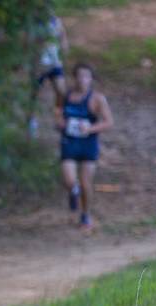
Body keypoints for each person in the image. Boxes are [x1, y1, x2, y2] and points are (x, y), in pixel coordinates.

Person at [57, 63, 114, 232]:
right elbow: (57, 113)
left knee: (85, 182)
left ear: (91, 79)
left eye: (86, 76)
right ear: (74, 78)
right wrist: (62, 124)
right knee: (69, 180)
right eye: (79, 76)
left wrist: (89, 128)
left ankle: (85, 214)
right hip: (69, 142)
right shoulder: (66, 96)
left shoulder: (97, 99)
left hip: (88, 144)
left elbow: (109, 122)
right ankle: (73, 193)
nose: (82, 79)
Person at [29, 10, 69, 136]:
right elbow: (28, 41)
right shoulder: (34, 22)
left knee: (61, 91)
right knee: (36, 94)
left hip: (54, 62)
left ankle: (58, 116)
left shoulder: (55, 20)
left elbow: (62, 35)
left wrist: (64, 47)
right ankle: (32, 121)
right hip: (39, 63)